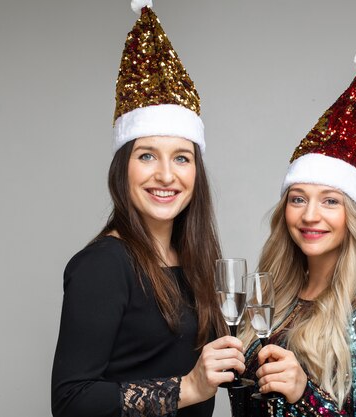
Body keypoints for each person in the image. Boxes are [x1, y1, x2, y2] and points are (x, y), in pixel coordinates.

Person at [51, 2, 245, 416]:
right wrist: (187, 388)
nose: (165, 175)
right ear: (123, 168)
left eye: (180, 158)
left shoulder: (195, 261)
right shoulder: (103, 265)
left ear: (196, 171)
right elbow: (70, 402)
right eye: (146, 156)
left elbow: (222, 372)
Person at [239, 51, 356, 416]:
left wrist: (305, 395)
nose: (310, 215)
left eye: (330, 201)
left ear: (352, 218)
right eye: (298, 199)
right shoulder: (274, 300)